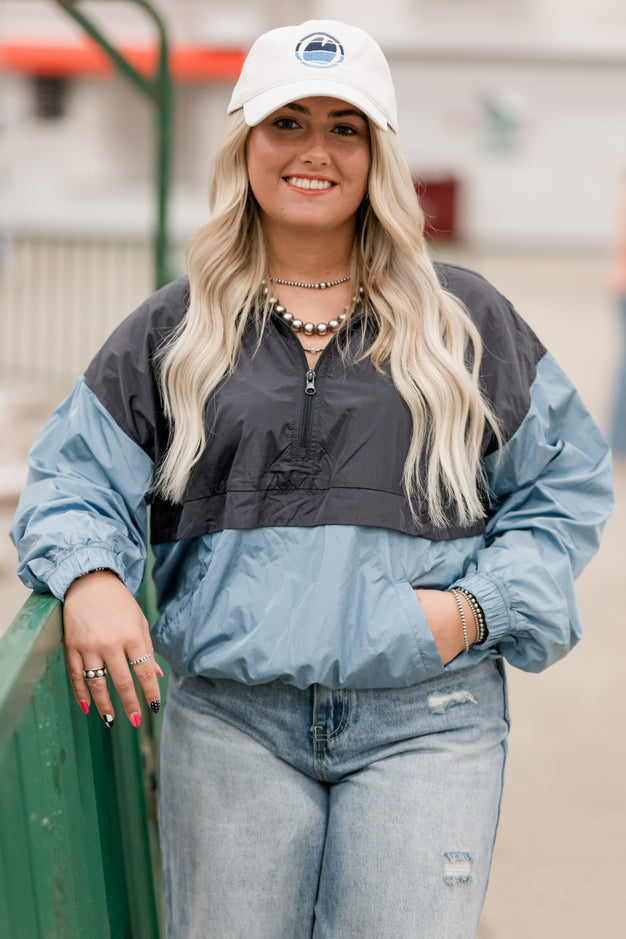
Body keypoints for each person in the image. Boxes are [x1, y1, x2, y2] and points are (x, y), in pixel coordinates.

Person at [10, 19, 613, 939]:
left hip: (429, 718)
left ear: (380, 155)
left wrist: (477, 609)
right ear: (246, 140)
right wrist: (91, 576)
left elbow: (564, 487)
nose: (314, 151)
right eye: (288, 122)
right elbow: (71, 475)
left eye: (345, 126)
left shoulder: (466, 320)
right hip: (232, 722)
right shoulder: (174, 328)